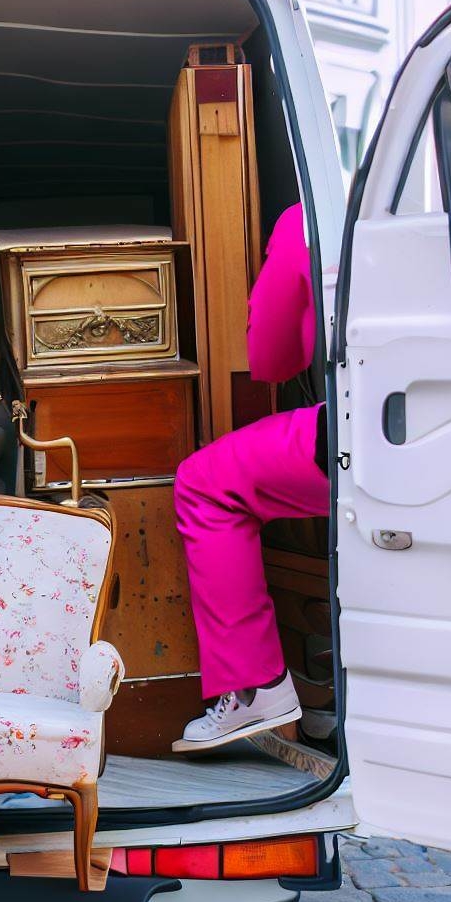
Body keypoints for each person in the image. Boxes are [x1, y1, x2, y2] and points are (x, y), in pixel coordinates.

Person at [172, 203, 329, 752]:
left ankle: (257, 686)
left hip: (370, 431)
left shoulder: (306, 217)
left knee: (203, 482)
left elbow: (269, 353)